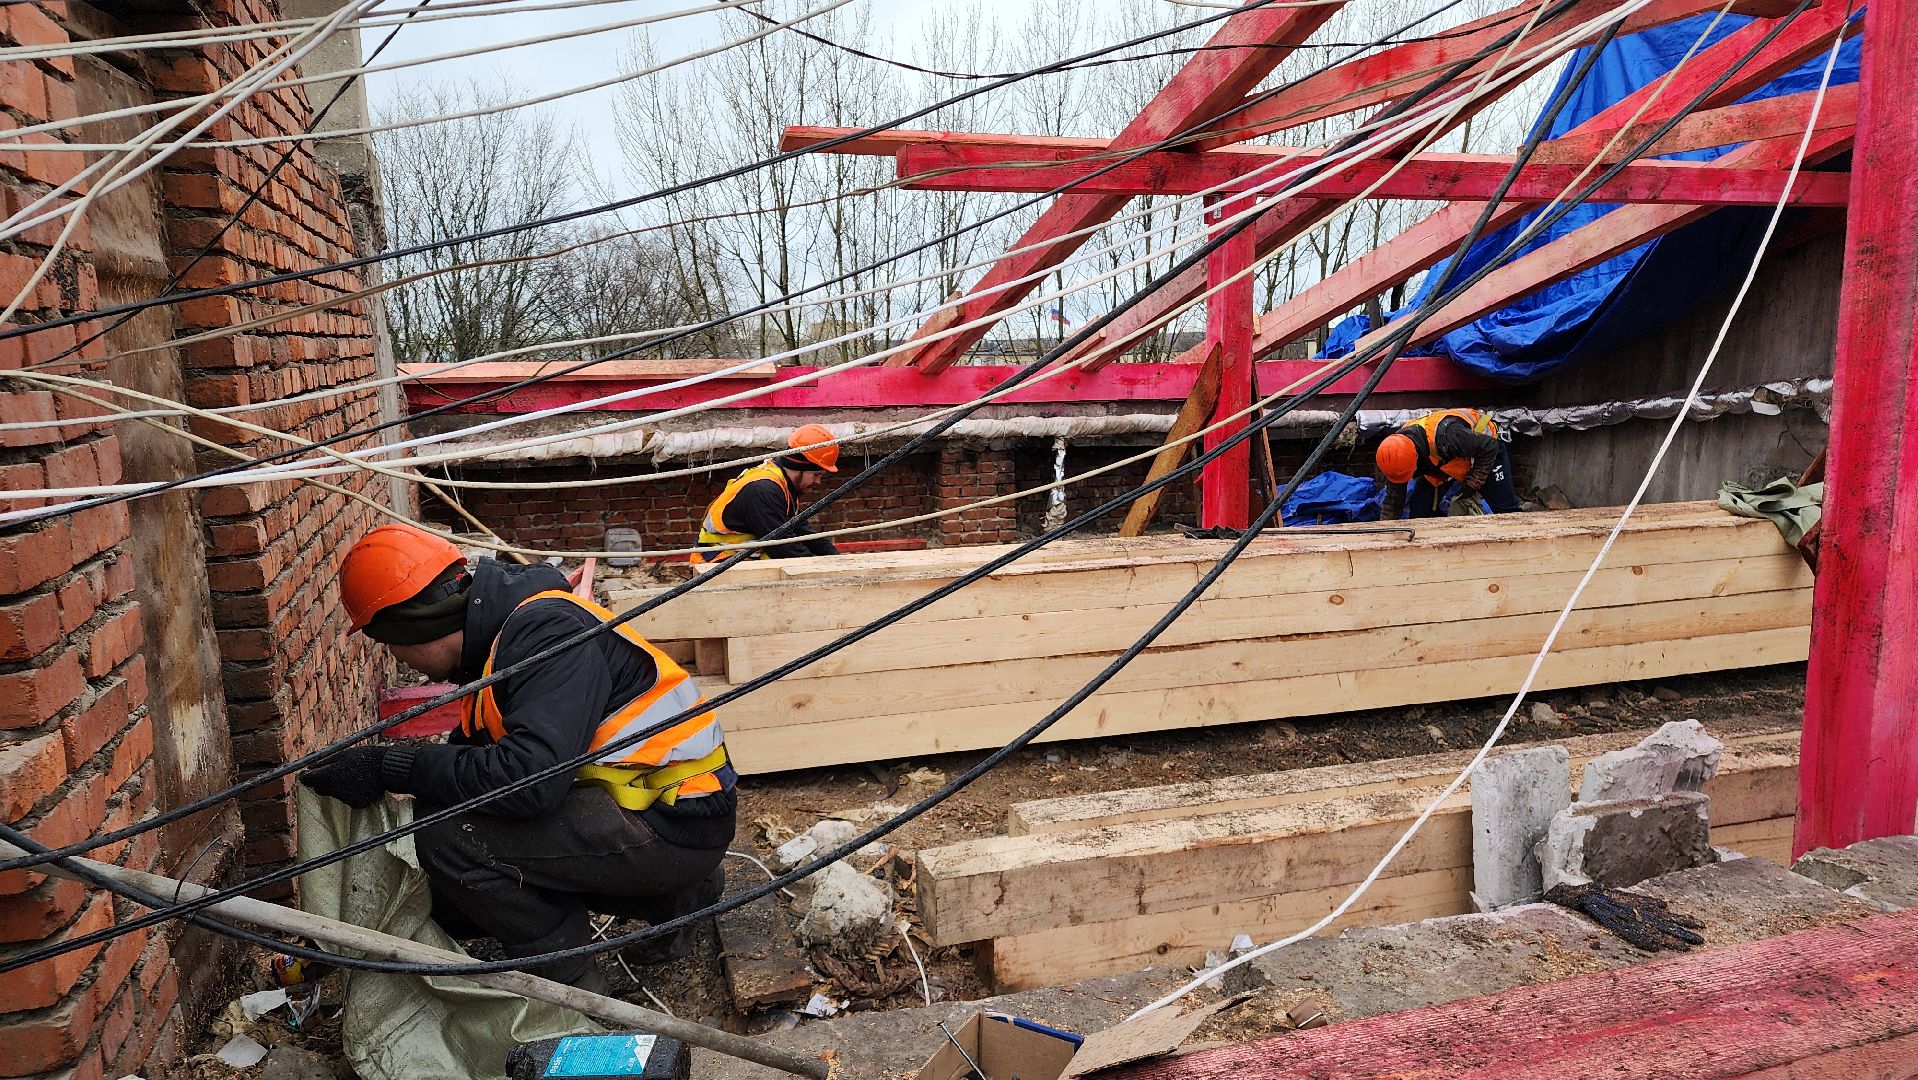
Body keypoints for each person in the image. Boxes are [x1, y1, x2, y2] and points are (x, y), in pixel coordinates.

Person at [300, 524, 736, 991]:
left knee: (450, 836)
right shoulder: (498, 645)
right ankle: (675, 900)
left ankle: (571, 991)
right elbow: (468, 772)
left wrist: (391, 765)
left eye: (389, 642)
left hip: (676, 824)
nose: (398, 660)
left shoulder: (542, 634)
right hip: (656, 813)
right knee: (454, 861)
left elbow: (527, 785)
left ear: (416, 626)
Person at [691, 424, 841, 567]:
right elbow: (783, 548)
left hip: (734, 559)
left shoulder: (782, 484)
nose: (818, 481)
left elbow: (803, 533)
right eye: (816, 474)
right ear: (800, 467)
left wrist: (835, 559)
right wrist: (820, 569)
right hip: (716, 564)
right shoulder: (764, 491)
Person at [1374, 408, 1522, 519]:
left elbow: (1489, 447)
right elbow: (1393, 502)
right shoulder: (1397, 455)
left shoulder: (1448, 436)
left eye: (1411, 473)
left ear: (1416, 457)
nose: (1410, 477)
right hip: (1447, 460)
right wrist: (1384, 535)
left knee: (1506, 511)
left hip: (1486, 450)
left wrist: (1473, 483)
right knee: (1420, 511)